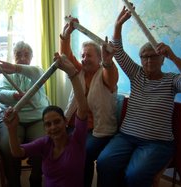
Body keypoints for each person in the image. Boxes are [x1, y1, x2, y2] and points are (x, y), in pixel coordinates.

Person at [96, 5, 181, 187]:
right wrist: (118, 26)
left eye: (153, 56)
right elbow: (118, 52)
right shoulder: (136, 74)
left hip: (157, 143)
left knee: (135, 175)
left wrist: (174, 57)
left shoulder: (171, 80)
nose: (148, 60)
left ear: (162, 59)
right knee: (104, 162)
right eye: (144, 57)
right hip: (126, 137)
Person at [3, 52, 88, 187]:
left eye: (57, 122)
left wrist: (72, 74)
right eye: (48, 124)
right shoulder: (45, 144)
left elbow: (82, 108)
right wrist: (11, 129)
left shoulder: (77, 140)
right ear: (44, 128)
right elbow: (17, 152)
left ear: (65, 122)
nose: (53, 127)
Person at [60, 16, 119, 187]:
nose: (84, 59)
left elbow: (112, 77)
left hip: (98, 131)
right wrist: (66, 34)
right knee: (59, 144)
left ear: (100, 58)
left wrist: (109, 62)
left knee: (82, 153)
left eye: (89, 56)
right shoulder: (79, 71)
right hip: (75, 125)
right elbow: (66, 55)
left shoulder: (105, 73)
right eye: (83, 55)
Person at [0, 41, 50, 187]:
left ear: (31, 57)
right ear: (14, 56)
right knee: (7, 147)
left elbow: (40, 75)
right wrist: (15, 95)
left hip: (37, 118)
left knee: (43, 143)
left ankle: (36, 179)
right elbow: (0, 94)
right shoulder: (6, 76)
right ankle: (14, 182)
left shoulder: (36, 71)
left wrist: (16, 68)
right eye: (18, 54)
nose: (22, 57)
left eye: (26, 54)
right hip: (12, 119)